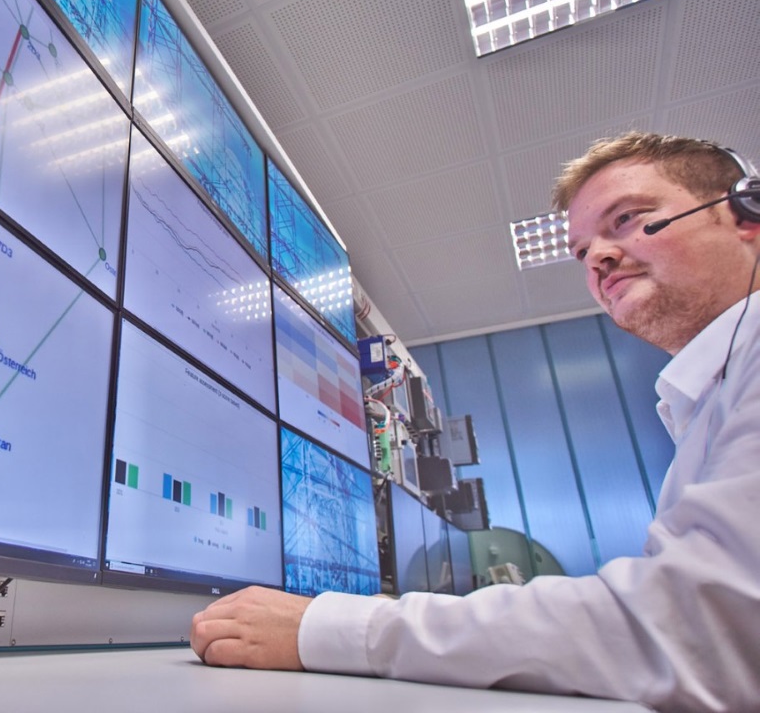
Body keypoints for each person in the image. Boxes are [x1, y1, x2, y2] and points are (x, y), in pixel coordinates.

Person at [189, 132, 760, 712]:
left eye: (628, 219)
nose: (599, 259)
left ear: (746, 212)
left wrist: (325, 628)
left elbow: (708, 631)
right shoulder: (710, 397)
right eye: (582, 251)